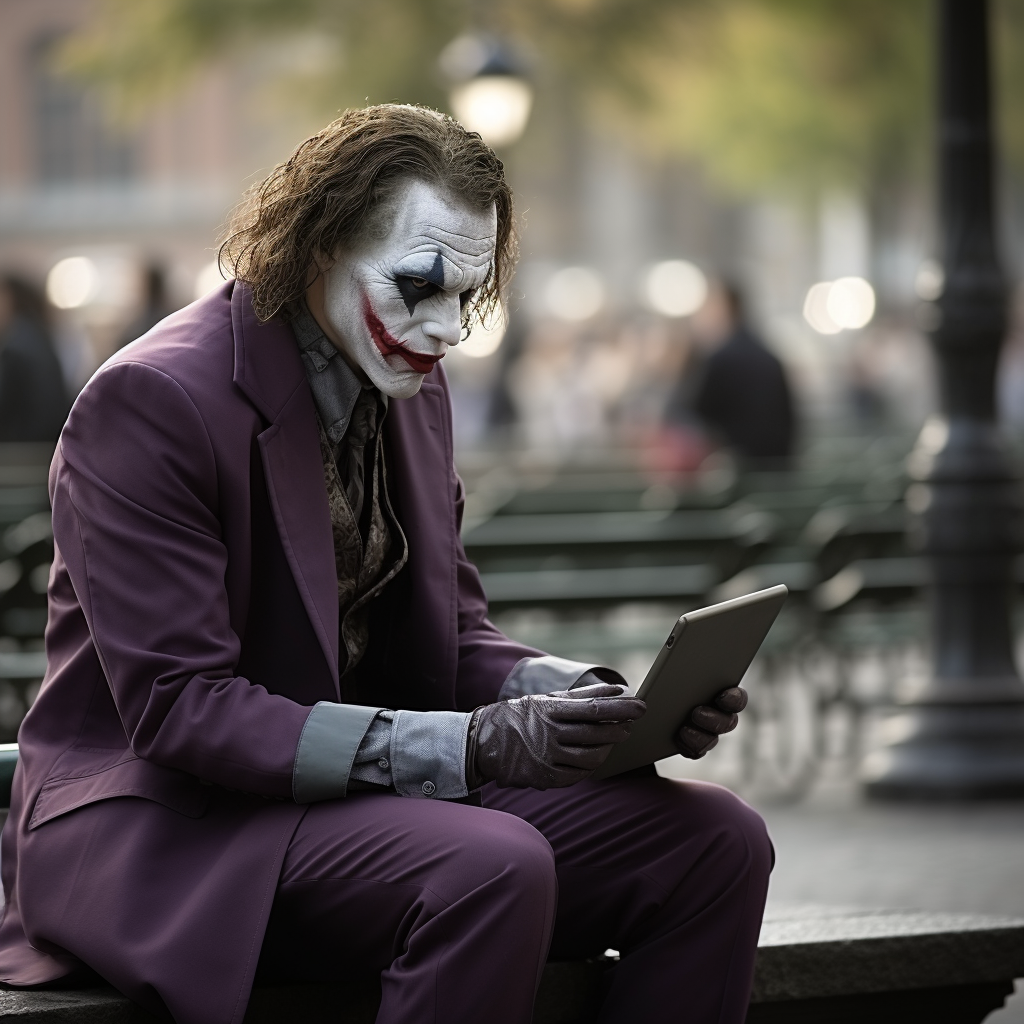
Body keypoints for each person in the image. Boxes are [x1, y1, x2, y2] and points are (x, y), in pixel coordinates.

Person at [0, 106, 771, 1024]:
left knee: (716, 840)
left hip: (359, 809)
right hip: (173, 827)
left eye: (468, 298)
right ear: (318, 244)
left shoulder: (409, 378)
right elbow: (180, 709)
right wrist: (471, 743)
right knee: (488, 867)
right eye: (419, 286)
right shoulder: (150, 400)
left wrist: (593, 701)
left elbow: (452, 632)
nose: (449, 330)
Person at [669, 280, 795, 467]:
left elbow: (692, 413)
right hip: (779, 469)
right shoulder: (770, 357)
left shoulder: (721, 359)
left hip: (737, 472)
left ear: (724, 307)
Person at [0, 276, 71, 443]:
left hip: (20, 455)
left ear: (12, 300)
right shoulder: (39, 336)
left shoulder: (16, 345)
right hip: (44, 449)